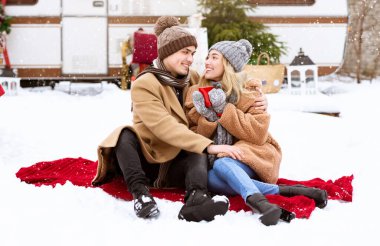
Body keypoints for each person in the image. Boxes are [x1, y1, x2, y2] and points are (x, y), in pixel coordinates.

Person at [92, 16, 244, 222]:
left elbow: (225, 82)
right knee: (123, 134)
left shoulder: (193, 78)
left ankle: (196, 199)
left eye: (192, 53)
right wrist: (209, 146)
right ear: (167, 52)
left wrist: (254, 95)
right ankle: (141, 195)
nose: (190, 59)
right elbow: (164, 126)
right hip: (148, 160)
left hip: (174, 165)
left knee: (194, 144)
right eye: (185, 52)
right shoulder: (145, 83)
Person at [184, 39, 328, 226]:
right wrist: (209, 118)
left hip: (254, 154)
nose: (207, 62)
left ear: (228, 63)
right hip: (218, 158)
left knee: (222, 163)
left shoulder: (249, 91)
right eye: (207, 57)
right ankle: (287, 191)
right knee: (211, 179)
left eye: (214, 57)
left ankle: (260, 204)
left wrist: (223, 109)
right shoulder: (196, 93)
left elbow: (257, 133)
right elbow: (194, 136)